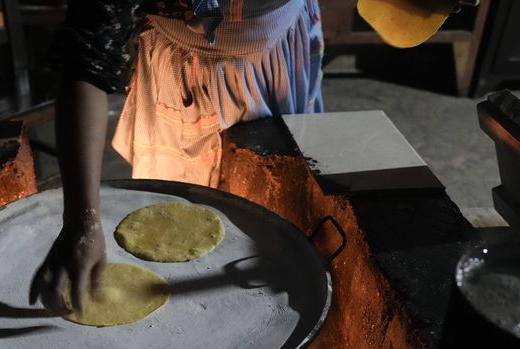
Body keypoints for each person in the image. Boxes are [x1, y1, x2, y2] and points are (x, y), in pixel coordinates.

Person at [29, 0, 479, 316]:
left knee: (278, 213)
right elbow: (85, 64)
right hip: (186, 74)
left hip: (280, 48)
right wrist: (82, 220)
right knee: (177, 228)